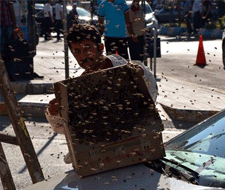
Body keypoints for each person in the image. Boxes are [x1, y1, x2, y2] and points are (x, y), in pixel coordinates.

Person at [45, 24, 158, 163]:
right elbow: (67, 130)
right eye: (77, 51)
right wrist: (54, 114)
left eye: (87, 48)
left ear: (101, 48)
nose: (83, 56)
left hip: (139, 152)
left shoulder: (128, 69)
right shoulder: (78, 87)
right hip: (102, 159)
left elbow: (151, 97)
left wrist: (140, 76)